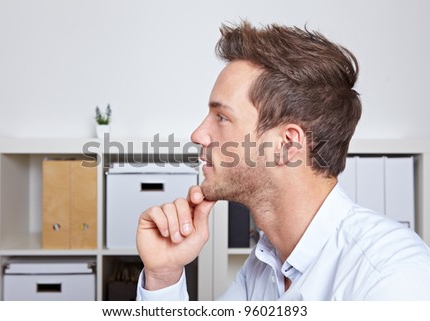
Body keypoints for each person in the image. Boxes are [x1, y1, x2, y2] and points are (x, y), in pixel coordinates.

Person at [135, 21, 430, 300]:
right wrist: (163, 276)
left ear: (287, 145)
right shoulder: (264, 266)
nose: (198, 134)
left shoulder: (390, 276)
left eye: (222, 117)